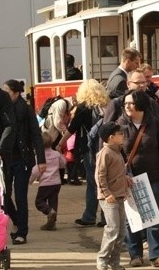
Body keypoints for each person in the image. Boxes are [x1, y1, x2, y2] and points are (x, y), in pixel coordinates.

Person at [118, 90, 159, 268]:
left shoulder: (153, 123)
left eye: (131, 103)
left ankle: (157, 255)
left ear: (141, 105)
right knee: (132, 218)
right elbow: (117, 154)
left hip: (151, 176)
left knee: (153, 216)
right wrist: (123, 175)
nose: (127, 106)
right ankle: (135, 255)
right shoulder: (120, 125)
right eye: (125, 103)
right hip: (130, 178)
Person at [57, 79, 109, 228]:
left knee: (93, 183)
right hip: (106, 148)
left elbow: (72, 128)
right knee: (104, 180)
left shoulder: (83, 108)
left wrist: (60, 144)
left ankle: (91, 216)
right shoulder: (107, 105)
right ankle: (103, 216)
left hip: (89, 149)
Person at [2, 79, 46, 245]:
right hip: (5, 159)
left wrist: (41, 160)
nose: (3, 93)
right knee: (3, 194)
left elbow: (36, 135)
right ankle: (16, 220)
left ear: (15, 92)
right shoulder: (1, 108)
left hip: (22, 159)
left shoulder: (25, 109)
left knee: (20, 196)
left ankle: (22, 232)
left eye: (6, 91)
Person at [95, 121, 131, 270]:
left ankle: (114, 262)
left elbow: (117, 172)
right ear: (111, 137)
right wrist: (106, 193)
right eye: (120, 134)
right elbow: (100, 176)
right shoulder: (105, 153)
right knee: (112, 229)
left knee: (121, 232)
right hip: (109, 198)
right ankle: (102, 259)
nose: (123, 136)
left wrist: (126, 178)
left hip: (120, 196)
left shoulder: (117, 151)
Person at [29, 132, 66, 231]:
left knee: (39, 202)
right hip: (56, 183)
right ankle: (52, 222)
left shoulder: (39, 157)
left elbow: (36, 170)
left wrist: (30, 180)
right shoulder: (56, 154)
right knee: (53, 201)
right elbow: (63, 164)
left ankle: (49, 211)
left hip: (45, 183)